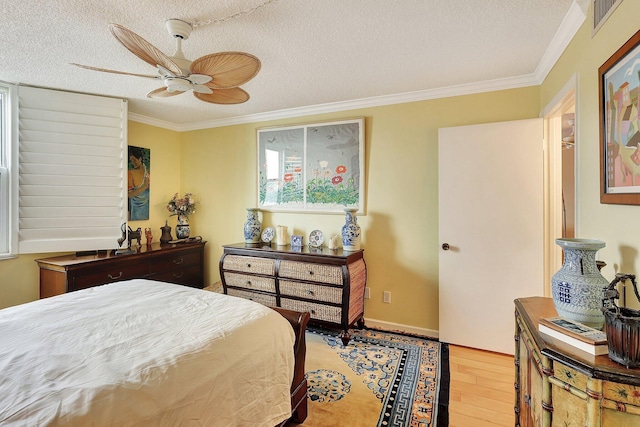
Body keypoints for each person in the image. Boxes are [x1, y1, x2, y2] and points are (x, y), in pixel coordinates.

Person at [128, 146, 150, 220]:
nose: (132, 163)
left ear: (140, 159)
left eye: (134, 160)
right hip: (136, 211)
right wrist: (144, 186)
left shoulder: (148, 171)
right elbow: (130, 194)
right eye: (131, 161)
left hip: (147, 209)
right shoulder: (130, 173)